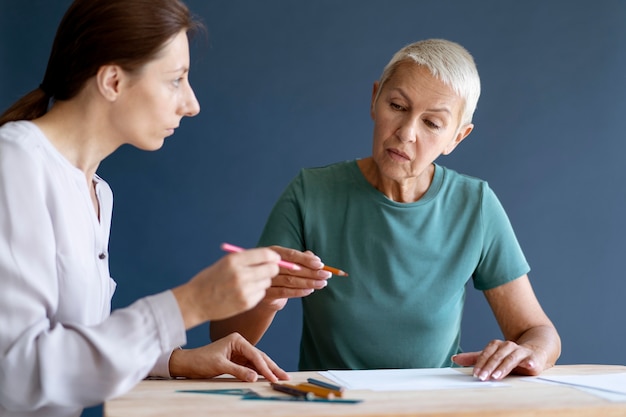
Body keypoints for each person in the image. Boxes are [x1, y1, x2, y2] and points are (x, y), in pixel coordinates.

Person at [210, 39, 562, 381]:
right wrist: (268, 297)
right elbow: (224, 337)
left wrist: (532, 352)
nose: (406, 132)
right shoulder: (310, 192)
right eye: (397, 106)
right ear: (374, 99)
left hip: (432, 408)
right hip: (332, 406)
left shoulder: (476, 205)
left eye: (432, 123)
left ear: (457, 137)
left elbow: (537, 331)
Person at [0, 1, 289, 416]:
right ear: (113, 81)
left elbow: (71, 344)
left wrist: (171, 360)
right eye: (176, 80)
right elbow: (15, 375)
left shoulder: (97, 191)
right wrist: (189, 304)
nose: (191, 104)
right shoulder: (15, 164)